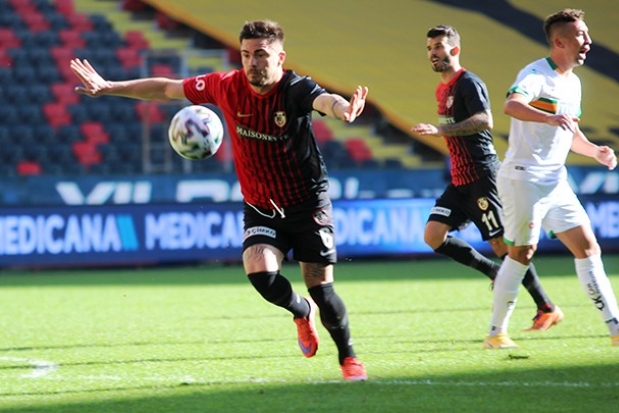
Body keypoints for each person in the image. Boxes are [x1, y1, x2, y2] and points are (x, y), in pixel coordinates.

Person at [70, 20, 368, 380]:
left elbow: (325, 101)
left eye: (261, 54)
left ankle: (349, 358)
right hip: (261, 205)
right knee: (260, 274)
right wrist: (109, 87)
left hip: (307, 204)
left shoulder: (295, 88)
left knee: (321, 288)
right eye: (246, 55)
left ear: (280, 57)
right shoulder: (226, 86)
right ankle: (301, 311)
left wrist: (343, 109)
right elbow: (167, 88)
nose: (253, 62)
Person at [411, 24, 563, 331]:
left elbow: (485, 120)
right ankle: (494, 273)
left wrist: (441, 130)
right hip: (460, 179)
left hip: (482, 176)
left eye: (438, 47)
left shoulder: (468, 83)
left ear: (455, 49)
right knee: (433, 235)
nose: (432, 53)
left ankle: (546, 307)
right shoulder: (442, 88)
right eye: (429, 48)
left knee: (503, 245)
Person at [484, 9, 619, 349]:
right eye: (581, 35)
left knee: (588, 247)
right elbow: (512, 105)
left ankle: (616, 329)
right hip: (524, 178)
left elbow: (570, 133)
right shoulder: (535, 75)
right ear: (559, 42)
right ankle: (496, 333)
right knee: (522, 252)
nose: (588, 41)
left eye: (587, 34)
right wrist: (547, 118)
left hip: (555, 180)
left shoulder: (573, 83)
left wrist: (595, 151)